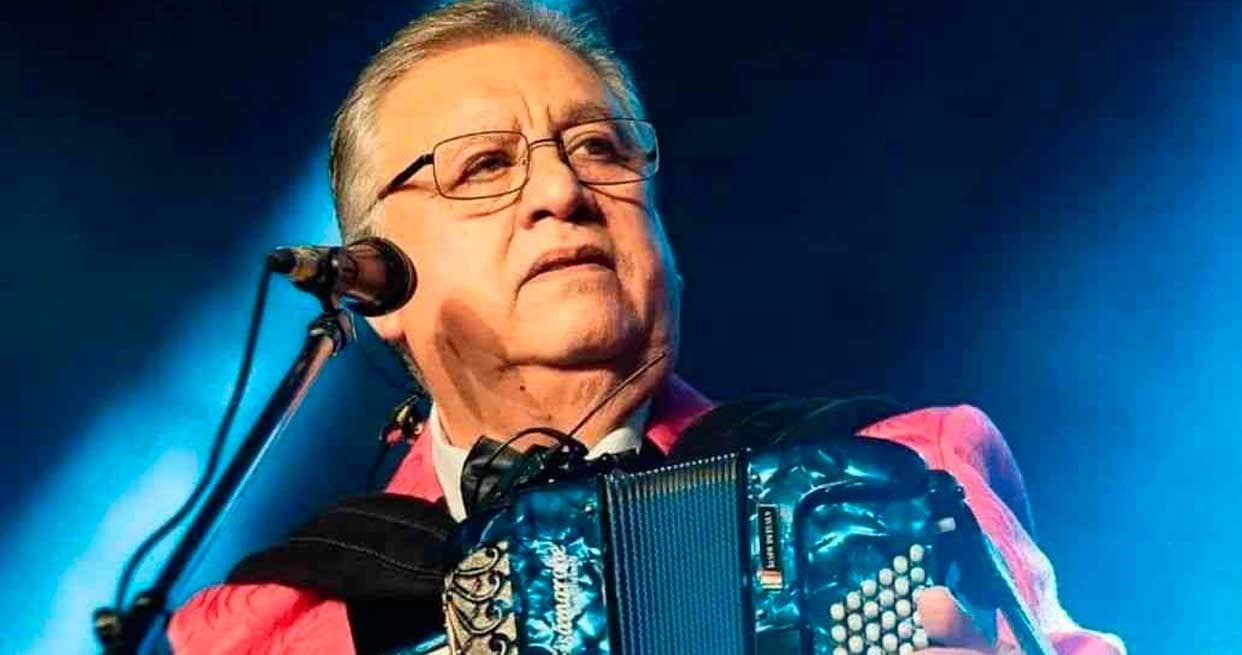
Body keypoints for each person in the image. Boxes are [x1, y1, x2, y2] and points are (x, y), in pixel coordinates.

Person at [169, 1, 1125, 653]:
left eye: (599, 147)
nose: (561, 189)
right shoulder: (272, 622)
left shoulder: (894, 472)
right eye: (485, 165)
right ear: (380, 283)